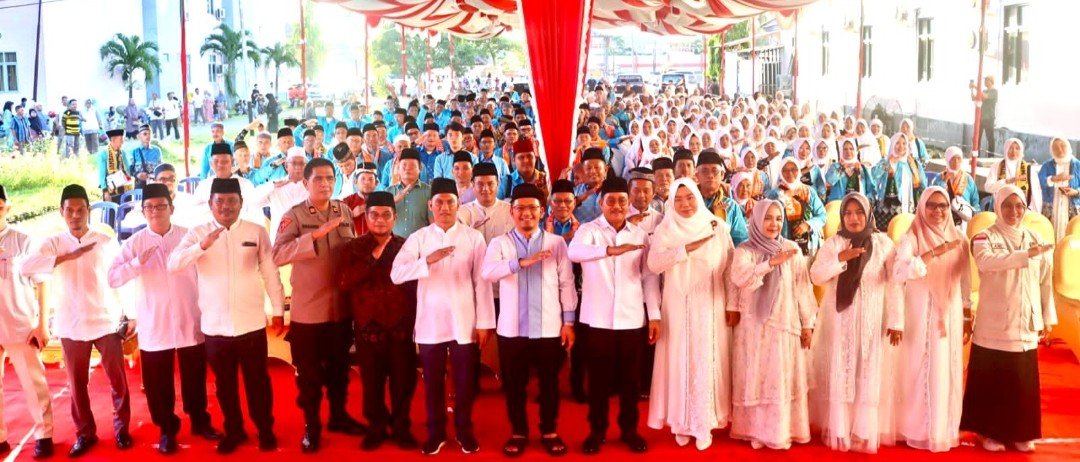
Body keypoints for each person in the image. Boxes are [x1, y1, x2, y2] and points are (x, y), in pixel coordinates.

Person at [167, 178, 287, 454]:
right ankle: (234, 431)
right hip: (215, 326)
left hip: (251, 323)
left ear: (241, 203)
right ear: (210, 204)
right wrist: (201, 246)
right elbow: (173, 264)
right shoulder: (198, 233)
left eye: (232, 201)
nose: (226, 206)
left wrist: (278, 309)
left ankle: (265, 429)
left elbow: (270, 272)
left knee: (258, 381)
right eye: (219, 201)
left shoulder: (256, 231)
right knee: (225, 385)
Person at [106, 184, 223, 454]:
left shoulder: (187, 236)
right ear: (142, 211)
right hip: (154, 321)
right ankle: (167, 428)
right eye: (149, 207)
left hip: (188, 316)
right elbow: (112, 278)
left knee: (194, 375)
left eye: (161, 206)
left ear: (172, 208)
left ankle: (199, 420)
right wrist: (136, 264)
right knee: (158, 383)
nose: (155, 211)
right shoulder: (135, 243)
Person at [20, 185, 132, 457]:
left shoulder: (104, 240)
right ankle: (85, 434)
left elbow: (119, 277)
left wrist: (128, 312)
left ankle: (122, 429)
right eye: (69, 210)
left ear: (89, 211)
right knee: (77, 386)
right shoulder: (53, 243)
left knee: (118, 381)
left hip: (105, 321)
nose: (75, 215)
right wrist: (64, 258)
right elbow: (25, 267)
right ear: (61, 211)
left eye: (81, 209)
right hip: (71, 324)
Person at [389, 176, 495, 455]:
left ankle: (464, 431)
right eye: (439, 202)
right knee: (433, 382)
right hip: (430, 322)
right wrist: (427, 260)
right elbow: (396, 274)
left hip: (464, 321)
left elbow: (482, 283)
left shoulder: (473, 238)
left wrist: (485, 323)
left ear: (458, 205)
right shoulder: (419, 238)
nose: (445, 207)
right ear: (430, 205)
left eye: (450, 202)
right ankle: (436, 433)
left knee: (465, 382)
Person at [272, 158, 364, 453]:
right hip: (309, 312)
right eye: (318, 179)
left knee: (339, 370)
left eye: (329, 178)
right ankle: (312, 427)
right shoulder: (294, 215)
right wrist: (313, 237)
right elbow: (278, 254)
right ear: (305, 183)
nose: (325, 184)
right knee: (309, 376)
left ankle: (338, 416)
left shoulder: (343, 210)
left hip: (340, 309)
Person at [481, 183, 578, 457]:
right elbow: (487, 272)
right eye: (520, 208)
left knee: (549, 384)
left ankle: (549, 431)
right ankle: (518, 432)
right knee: (514, 385)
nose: (526, 213)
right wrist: (519, 263)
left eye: (532, 208)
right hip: (512, 329)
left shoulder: (556, 243)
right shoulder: (500, 243)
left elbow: (567, 283)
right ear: (511, 212)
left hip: (549, 328)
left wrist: (569, 322)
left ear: (542, 210)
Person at [568, 177, 661, 455]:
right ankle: (597, 431)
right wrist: (609, 250)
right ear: (601, 203)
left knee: (631, 381)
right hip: (597, 320)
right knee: (599, 381)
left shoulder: (640, 235)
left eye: (622, 200)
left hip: (632, 319)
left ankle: (629, 430)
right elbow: (574, 252)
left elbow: (649, 278)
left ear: (628, 202)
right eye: (611, 201)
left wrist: (654, 315)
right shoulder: (589, 230)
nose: (617, 206)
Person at [961, 185, 1056, 453]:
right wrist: (1026, 255)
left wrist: (1047, 318)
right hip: (995, 324)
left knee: (1021, 380)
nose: (1013, 211)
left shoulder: (1035, 238)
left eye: (1019, 206)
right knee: (994, 379)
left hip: (1025, 322)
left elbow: (1045, 281)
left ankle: (1020, 432)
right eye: (1007, 205)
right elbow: (987, 262)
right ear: (997, 207)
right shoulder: (984, 237)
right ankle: (988, 432)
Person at [808, 192, 902, 453]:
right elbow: (816, 276)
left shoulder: (883, 244)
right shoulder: (834, 243)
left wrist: (897, 320)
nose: (854, 218)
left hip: (873, 320)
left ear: (869, 213)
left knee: (868, 371)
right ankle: (840, 431)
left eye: (859, 212)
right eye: (848, 213)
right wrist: (840, 258)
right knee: (843, 371)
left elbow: (895, 283)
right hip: (841, 322)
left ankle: (863, 432)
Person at [646, 178, 734, 451]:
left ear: (698, 197)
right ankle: (681, 422)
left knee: (706, 359)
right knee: (679, 359)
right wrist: (685, 249)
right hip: (676, 306)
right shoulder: (665, 229)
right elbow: (654, 264)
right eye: (679, 199)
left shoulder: (717, 227)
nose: (685, 204)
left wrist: (733, 305)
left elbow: (730, 268)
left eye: (690, 197)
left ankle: (703, 422)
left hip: (710, 302)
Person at [727, 199, 816, 450]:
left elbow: (803, 288)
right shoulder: (745, 250)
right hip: (753, 329)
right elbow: (740, 278)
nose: (773, 224)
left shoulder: (791, 249)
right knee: (756, 378)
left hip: (784, 325)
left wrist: (807, 323)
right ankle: (756, 431)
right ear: (755, 220)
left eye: (778, 218)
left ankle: (781, 431)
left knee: (780, 378)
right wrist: (769, 264)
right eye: (767, 218)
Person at [892, 186, 971, 452]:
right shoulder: (912, 237)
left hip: (949, 313)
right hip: (920, 311)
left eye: (943, 206)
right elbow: (899, 272)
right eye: (931, 205)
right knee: (920, 367)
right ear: (921, 207)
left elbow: (965, 279)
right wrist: (932, 253)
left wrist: (967, 313)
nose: (938, 211)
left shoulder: (959, 238)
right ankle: (917, 429)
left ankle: (942, 429)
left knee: (946, 367)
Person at [340, 191, 420, 451]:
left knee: (403, 381)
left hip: (400, 327)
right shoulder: (353, 247)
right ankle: (376, 426)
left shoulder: (407, 246)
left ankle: (401, 427)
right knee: (372, 382)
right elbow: (344, 282)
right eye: (374, 215)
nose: (380, 220)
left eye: (386, 215)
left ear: (395, 217)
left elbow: (416, 285)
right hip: (368, 328)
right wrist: (372, 258)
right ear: (366, 216)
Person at [0, 185, 55, 459]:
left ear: (7, 207)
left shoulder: (23, 241)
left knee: (33, 383)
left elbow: (43, 282)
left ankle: (44, 434)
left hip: (20, 323)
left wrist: (42, 324)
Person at [768, 158, 827, 256]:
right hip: (784, 245)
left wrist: (808, 224)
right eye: (785, 170)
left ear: (799, 170)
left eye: (793, 169)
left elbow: (822, 215)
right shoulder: (774, 194)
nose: (790, 173)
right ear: (780, 172)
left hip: (809, 244)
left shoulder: (809, 191)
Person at [871, 133, 922, 231]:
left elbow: (921, 183)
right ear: (892, 144)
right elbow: (874, 175)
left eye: (904, 143)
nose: (901, 146)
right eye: (897, 143)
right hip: (886, 209)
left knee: (902, 234)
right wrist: (889, 163)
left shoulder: (911, 163)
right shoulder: (885, 161)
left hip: (906, 208)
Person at [1039, 136, 1080, 241]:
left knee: (1072, 237)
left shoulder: (1077, 165)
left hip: (1072, 207)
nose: (1060, 150)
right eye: (1055, 148)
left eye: (1062, 146)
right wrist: (1054, 178)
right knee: (1049, 235)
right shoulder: (1047, 165)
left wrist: (1076, 192)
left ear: (1068, 146)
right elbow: (1039, 181)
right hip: (1052, 207)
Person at [985, 138, 1042, 214]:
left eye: (1017, 148)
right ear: (1006, 149)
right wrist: (1006, 181)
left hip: (1023, 212)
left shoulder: (1029, 170)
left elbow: (1036, 195)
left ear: (1021, 150)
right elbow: (988, 187)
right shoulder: (996, 167)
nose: (1014, 151)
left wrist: (1032, 213)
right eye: (1010, 148)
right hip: (1000, 211)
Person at [931, 147, 981, 229]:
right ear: (947, 160)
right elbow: (934, 198)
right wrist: (944, 182)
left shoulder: (968, 179)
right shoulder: (940, 178)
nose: (956, 162)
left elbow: (975, 201)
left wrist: (975, 216)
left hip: (964, 221)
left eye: (959, 159)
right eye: (953, 159)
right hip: (943, 220)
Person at [386, 148, 432, 237]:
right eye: (404, 165)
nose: (407, 169)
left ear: (420, 168)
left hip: (420, 243)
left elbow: (433, 223)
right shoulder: (388, 192)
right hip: (393, 243)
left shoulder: (429, 192)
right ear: (398, 168)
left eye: (412, 166)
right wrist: (392, 201)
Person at [572, 148, 607, 224]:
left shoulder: (614, 191)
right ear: (583, 171)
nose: (593, 171)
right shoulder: (574, 192)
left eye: (597, 167)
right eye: (588, 168)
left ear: (605, 170)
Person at [97, 129, 130, 203]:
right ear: (113, 140)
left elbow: (127, 169)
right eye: (120, 139)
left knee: (126, 208)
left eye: (123, 139)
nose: (122, 142)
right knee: (112, 209)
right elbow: (102, 175)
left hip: (124, 187)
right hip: (110, 189)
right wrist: (105, 191)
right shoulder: (104, 154)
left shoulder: (123, 153)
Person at [970, 76, 998, 156]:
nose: (985, 81)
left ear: (991, 81)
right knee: (976, 137)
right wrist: (971, 89)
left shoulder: (994, 91)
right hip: (981, 117)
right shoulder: (984, 91)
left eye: (986, 80)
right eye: (985, 80)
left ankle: (991, 156)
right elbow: (974, 98)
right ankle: (976, 155)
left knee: (990, 138)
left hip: (989, 118)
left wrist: (975, 87)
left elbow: (985, 96)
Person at [129, 124, 163, 190]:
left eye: (150, 134)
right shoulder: (134, 151)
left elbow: (161, 168)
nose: (148, 136)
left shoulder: (157, 150)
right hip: (140, 186)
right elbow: (130, 170)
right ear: (139, 136)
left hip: (154, 185)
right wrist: (137, 175)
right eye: (145, 134)